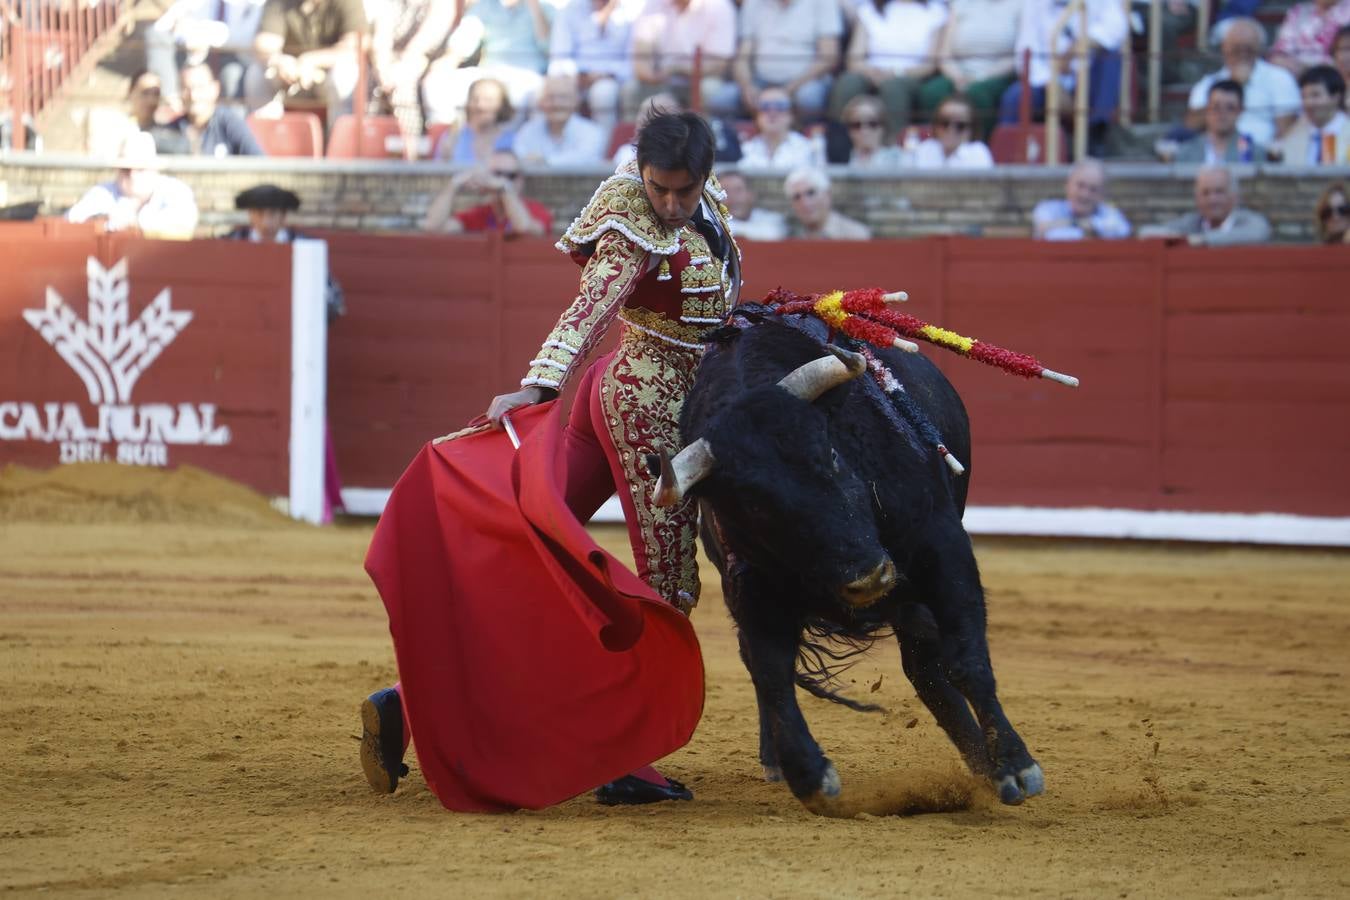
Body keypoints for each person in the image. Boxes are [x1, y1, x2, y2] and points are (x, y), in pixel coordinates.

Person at [362, 112, 740, 805]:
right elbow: (590, 308)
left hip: (628, 392)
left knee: (530, 549)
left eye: (684, 192)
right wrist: (540, 383)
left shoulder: (702, 197)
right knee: (665, 592)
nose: (672, 205)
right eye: (661, 190)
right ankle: (628, 758)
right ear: (642, 173)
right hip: (645, 406)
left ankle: (406, 703)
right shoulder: (631, 217)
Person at [225, 183, 347, 521]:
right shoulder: (229, 244)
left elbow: (335, 304)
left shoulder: (306, 249)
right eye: (260, 213)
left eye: (275, 214)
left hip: (293, 359)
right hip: (237, 357)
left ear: (284, 216)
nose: (267, 221)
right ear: (250, 215)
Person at [997, 0, 1127, 157]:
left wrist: (1082, 43)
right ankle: (1009, 158)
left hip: (1087, 76)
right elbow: (1025, 48)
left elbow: (1117, 25)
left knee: (1111, 58)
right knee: (1015, 98)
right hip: (1045, 80)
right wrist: (1050, 84)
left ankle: (1095, 140)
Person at [828, 0, 949, 136]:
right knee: (848, 82)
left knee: (893, 88)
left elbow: (929, 65)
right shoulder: (869, 8)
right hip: (871, 72)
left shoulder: (935, 11)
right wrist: (870, 72)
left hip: (910, 76)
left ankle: (891, 148)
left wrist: (895, 73)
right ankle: (837, 147)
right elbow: (854, 59)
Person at [421, 0, 553, 123]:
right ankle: (448, 139)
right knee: (435, 83)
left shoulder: (546, 6)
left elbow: (549, 46)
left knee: (540, 96)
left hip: (530, 74)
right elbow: (466, 37)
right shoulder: (485, 5)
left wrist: (535, 8)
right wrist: (449, 60)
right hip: (491, 72)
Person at [245, 0, 367, 122]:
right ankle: (266, 137)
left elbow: (356, 44)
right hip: (290, 75)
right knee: (257, 74)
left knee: (344, 76)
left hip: (327, 74)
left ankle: (341, 138)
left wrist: (310, 60)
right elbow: (264, 42)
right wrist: (280, 61)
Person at [1187, 18, 1301, 147]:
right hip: (1218, 155)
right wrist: (1233, 85)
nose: (1242, 54)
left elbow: (1287, 128)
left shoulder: (1280, 78)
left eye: (1248, 49)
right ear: (1224, 48)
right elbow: (1192, 124)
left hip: (1263, 158)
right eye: (1236, 49)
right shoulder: (1208, 83)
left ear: (1259, 48)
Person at [66, 132, 199, 240]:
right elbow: (71, 220)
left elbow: (185, 222)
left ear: (154, 169)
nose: (133, 174)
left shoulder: (175, 190)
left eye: (140, 168)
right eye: (126, 169)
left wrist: (135, 224)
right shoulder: (103, 192)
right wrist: (101, 222)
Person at [725, 0, 843, 121]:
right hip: (760, 81)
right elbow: (742, 58)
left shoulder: (824, 2)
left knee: (808, 98)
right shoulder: (753, 3)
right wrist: (747, 87)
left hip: (806, 82)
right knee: (723, 99)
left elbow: (828, 57)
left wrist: (788, 89)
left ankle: (805, 138)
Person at [922, 0, 1020, 141]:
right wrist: (957, 76)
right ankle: (936, 147)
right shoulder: (960, 4)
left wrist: (981, 76)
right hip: (959, 72)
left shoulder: (1020, 5)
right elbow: (945, 54)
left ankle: (980, 148)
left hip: (997, 74)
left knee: (977, 94)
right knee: (932, 92)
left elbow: (1018, 55)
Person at [368, 0, 457, 151]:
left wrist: (400, 68)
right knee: (369, 84)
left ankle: (411, 150)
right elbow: (381, 37)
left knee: (403, 86)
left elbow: (430, 35)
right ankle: (370, 147)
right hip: (389, 59)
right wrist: (382, 68)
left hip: (427, 57)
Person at [624, 0, 738, 116]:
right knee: (632, 89)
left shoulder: (718, 6)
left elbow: (719, 64)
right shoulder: (653, 4)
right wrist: (654, 76)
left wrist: (677, 69)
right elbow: (641, 61)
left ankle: (709, 133)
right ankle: (636, 134)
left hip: (701, 79)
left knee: (710, 89)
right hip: (662, 81)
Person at [548, 0, 646, 133]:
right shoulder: (571, 9)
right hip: (574, 78)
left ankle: (605, 149)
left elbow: (632, 61)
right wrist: (576, 76)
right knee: (550, 94)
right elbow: (560, 55)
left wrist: (605, 75)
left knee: (603, 93)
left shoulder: (631, 11)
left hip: (613, 79)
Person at [147, 0, 265, 107]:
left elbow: (247, 39)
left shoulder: (255, 4)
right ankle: (170, 102)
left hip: (236, 58)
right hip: (195, 55)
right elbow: (161, 26)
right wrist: (186, 33)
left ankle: (231, 121)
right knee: (155, 36)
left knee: (233, 74)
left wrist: (206, 33)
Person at [422, 149, 553, 235]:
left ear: (520, 180)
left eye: (510, 176)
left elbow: (524, 229)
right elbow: (434, 228)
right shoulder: (480, 213)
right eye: (496, 174)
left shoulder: (536, 210)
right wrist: (454, 184)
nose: (502, 180)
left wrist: (504, 189)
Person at [1137, 166, 1272, 246]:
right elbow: (1146, 233)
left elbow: (1258, 232)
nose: (1212, 199)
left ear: (1234, 197)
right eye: (1205, 193)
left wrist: (1202, 239)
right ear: (1197, 199)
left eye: (1219, 192)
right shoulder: (1192, 222)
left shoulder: (1249, 221)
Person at [153, 63, 264, 156]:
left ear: (215, 89)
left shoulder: (230, 123)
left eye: (200, 87)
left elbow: (259, 162)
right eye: (186, 88)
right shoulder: (171, 130)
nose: (193, 95)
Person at [512, 74, 608, 166]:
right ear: (540, 102)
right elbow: (519, 160)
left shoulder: (592, 132)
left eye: (563, 97)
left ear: (576, 101)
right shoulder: (528, 130)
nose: (557, 103)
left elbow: (583, 160)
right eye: (550, 98)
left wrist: (544, 161)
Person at [1031, 158, 1131, 241]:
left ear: (1102, 195)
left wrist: (1067, 224)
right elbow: (1051, 235)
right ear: (1067, 185)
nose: (1085, 194)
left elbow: (1122, 231)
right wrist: (1091, 230)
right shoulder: (1048, 209)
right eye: (1080, 186)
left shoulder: (1110, 214)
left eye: (1093, 189)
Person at [1171, 80, 1267, 163]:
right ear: (1207, 109)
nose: (1222, 113)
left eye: (1230, 108)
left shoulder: (1255, 154)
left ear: (1240, 111)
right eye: (1216, 107)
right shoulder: (1186, 152)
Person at [1272, 64, 1350, 164]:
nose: (1308, 102)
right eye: (1304, 96)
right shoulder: (1294, 133)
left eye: (1315, 95)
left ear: (1336, 97)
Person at [432, 76, 518, 163]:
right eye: (475, 99)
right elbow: (437, 172)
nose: (480, 105)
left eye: (488, 100)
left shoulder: (513, 141)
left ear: (501, 105)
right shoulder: (453, 137)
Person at [737, 87, 822, 170]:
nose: (772, 112)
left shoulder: (808, 148)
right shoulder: (745, 149)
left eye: (780, 106)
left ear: (791, 114)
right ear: (757, 115)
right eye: (765, 106)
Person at [907, 95, 994, 168]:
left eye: (960, 125)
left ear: (971, 129)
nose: (951, 130)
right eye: (945, 123)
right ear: (936, 125)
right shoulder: (925, 150)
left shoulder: (979, 153)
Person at [784, 166, 872, 239]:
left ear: (827, 195)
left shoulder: (855, 235)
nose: (805, 202)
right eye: (797, 197)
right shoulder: (791, 237)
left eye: (811, 193)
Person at [1269, 0, 1350, 76]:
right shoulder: (1299, 11)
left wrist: (1306, 68)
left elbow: (1344, 59)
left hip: (1334, 78)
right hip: (1294, 73)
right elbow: (1278, 54)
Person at [840, 94, 906, 168]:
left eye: (872, 124)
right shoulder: (838, 160)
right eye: (857, 125)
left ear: (883, 127)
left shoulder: (899, 159)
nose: (864, 130)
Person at [719, 169, 788, 240]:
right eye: (725, 191)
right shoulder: (714, 225)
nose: (732, 197)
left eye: (738, 190)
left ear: (751, 194)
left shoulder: (773, 221)